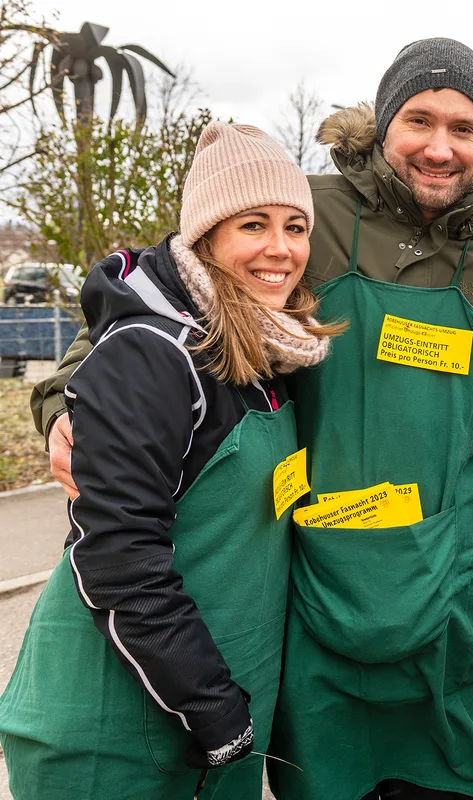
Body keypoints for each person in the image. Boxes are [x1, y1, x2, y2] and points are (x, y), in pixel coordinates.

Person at [29, 38, 473, 800]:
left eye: (463, 128)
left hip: (462, 586)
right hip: (314, 588)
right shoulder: (302, 218)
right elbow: (160, 295)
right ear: (383, 122)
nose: (439, 146)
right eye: (419, 120)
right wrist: (67, 400)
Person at [0, 123, 339, 797]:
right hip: (116, 740)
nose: (280, 249)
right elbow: (118, 558)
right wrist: (212, 709)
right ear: (207, 236)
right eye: (253, 224)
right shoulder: (154, 353)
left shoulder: (272, 353)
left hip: (211, 735)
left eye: (296, 226)